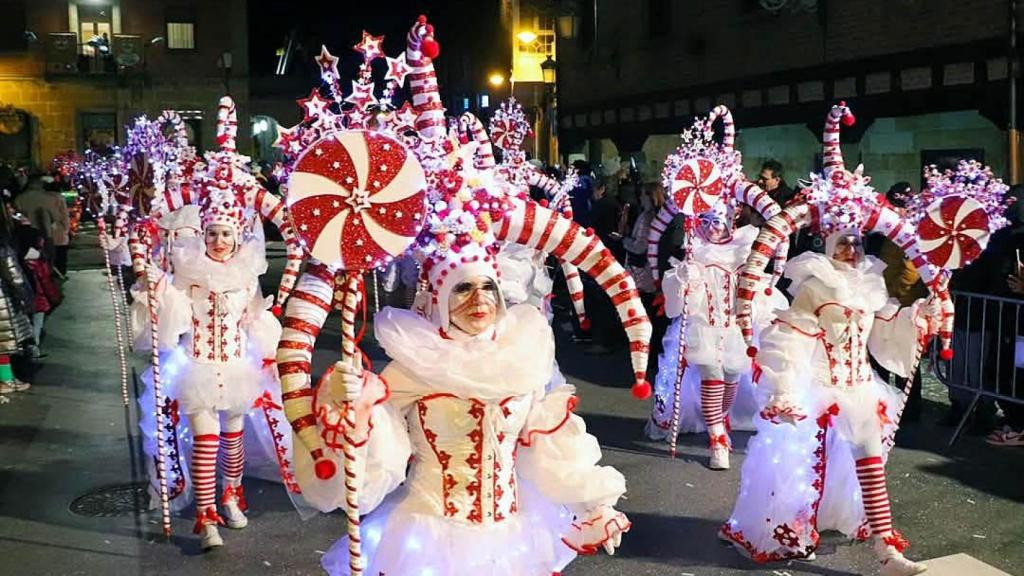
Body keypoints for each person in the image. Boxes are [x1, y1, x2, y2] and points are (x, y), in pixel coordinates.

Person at [131, 187, 283, 551]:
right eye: (212, 232)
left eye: (226, 233)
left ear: (237, 237)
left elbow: (257, 320)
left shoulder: (246, 275)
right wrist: (153, 288)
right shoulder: (187, 272)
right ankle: (206, 514)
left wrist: (268, 353)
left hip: (235, 368)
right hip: (198, 367)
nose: (219, 240)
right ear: (203, 235)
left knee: (232, 443)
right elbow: (171, 314)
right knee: (205, 442)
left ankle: (230, 496)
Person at [15, 174, 70, 276]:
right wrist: (65, 231)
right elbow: (65, 218)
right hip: (57, 235)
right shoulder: (56, 198)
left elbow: (18, 218)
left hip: (32, 237)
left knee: (39, 269)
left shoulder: (19, 199)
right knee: (59, 264)